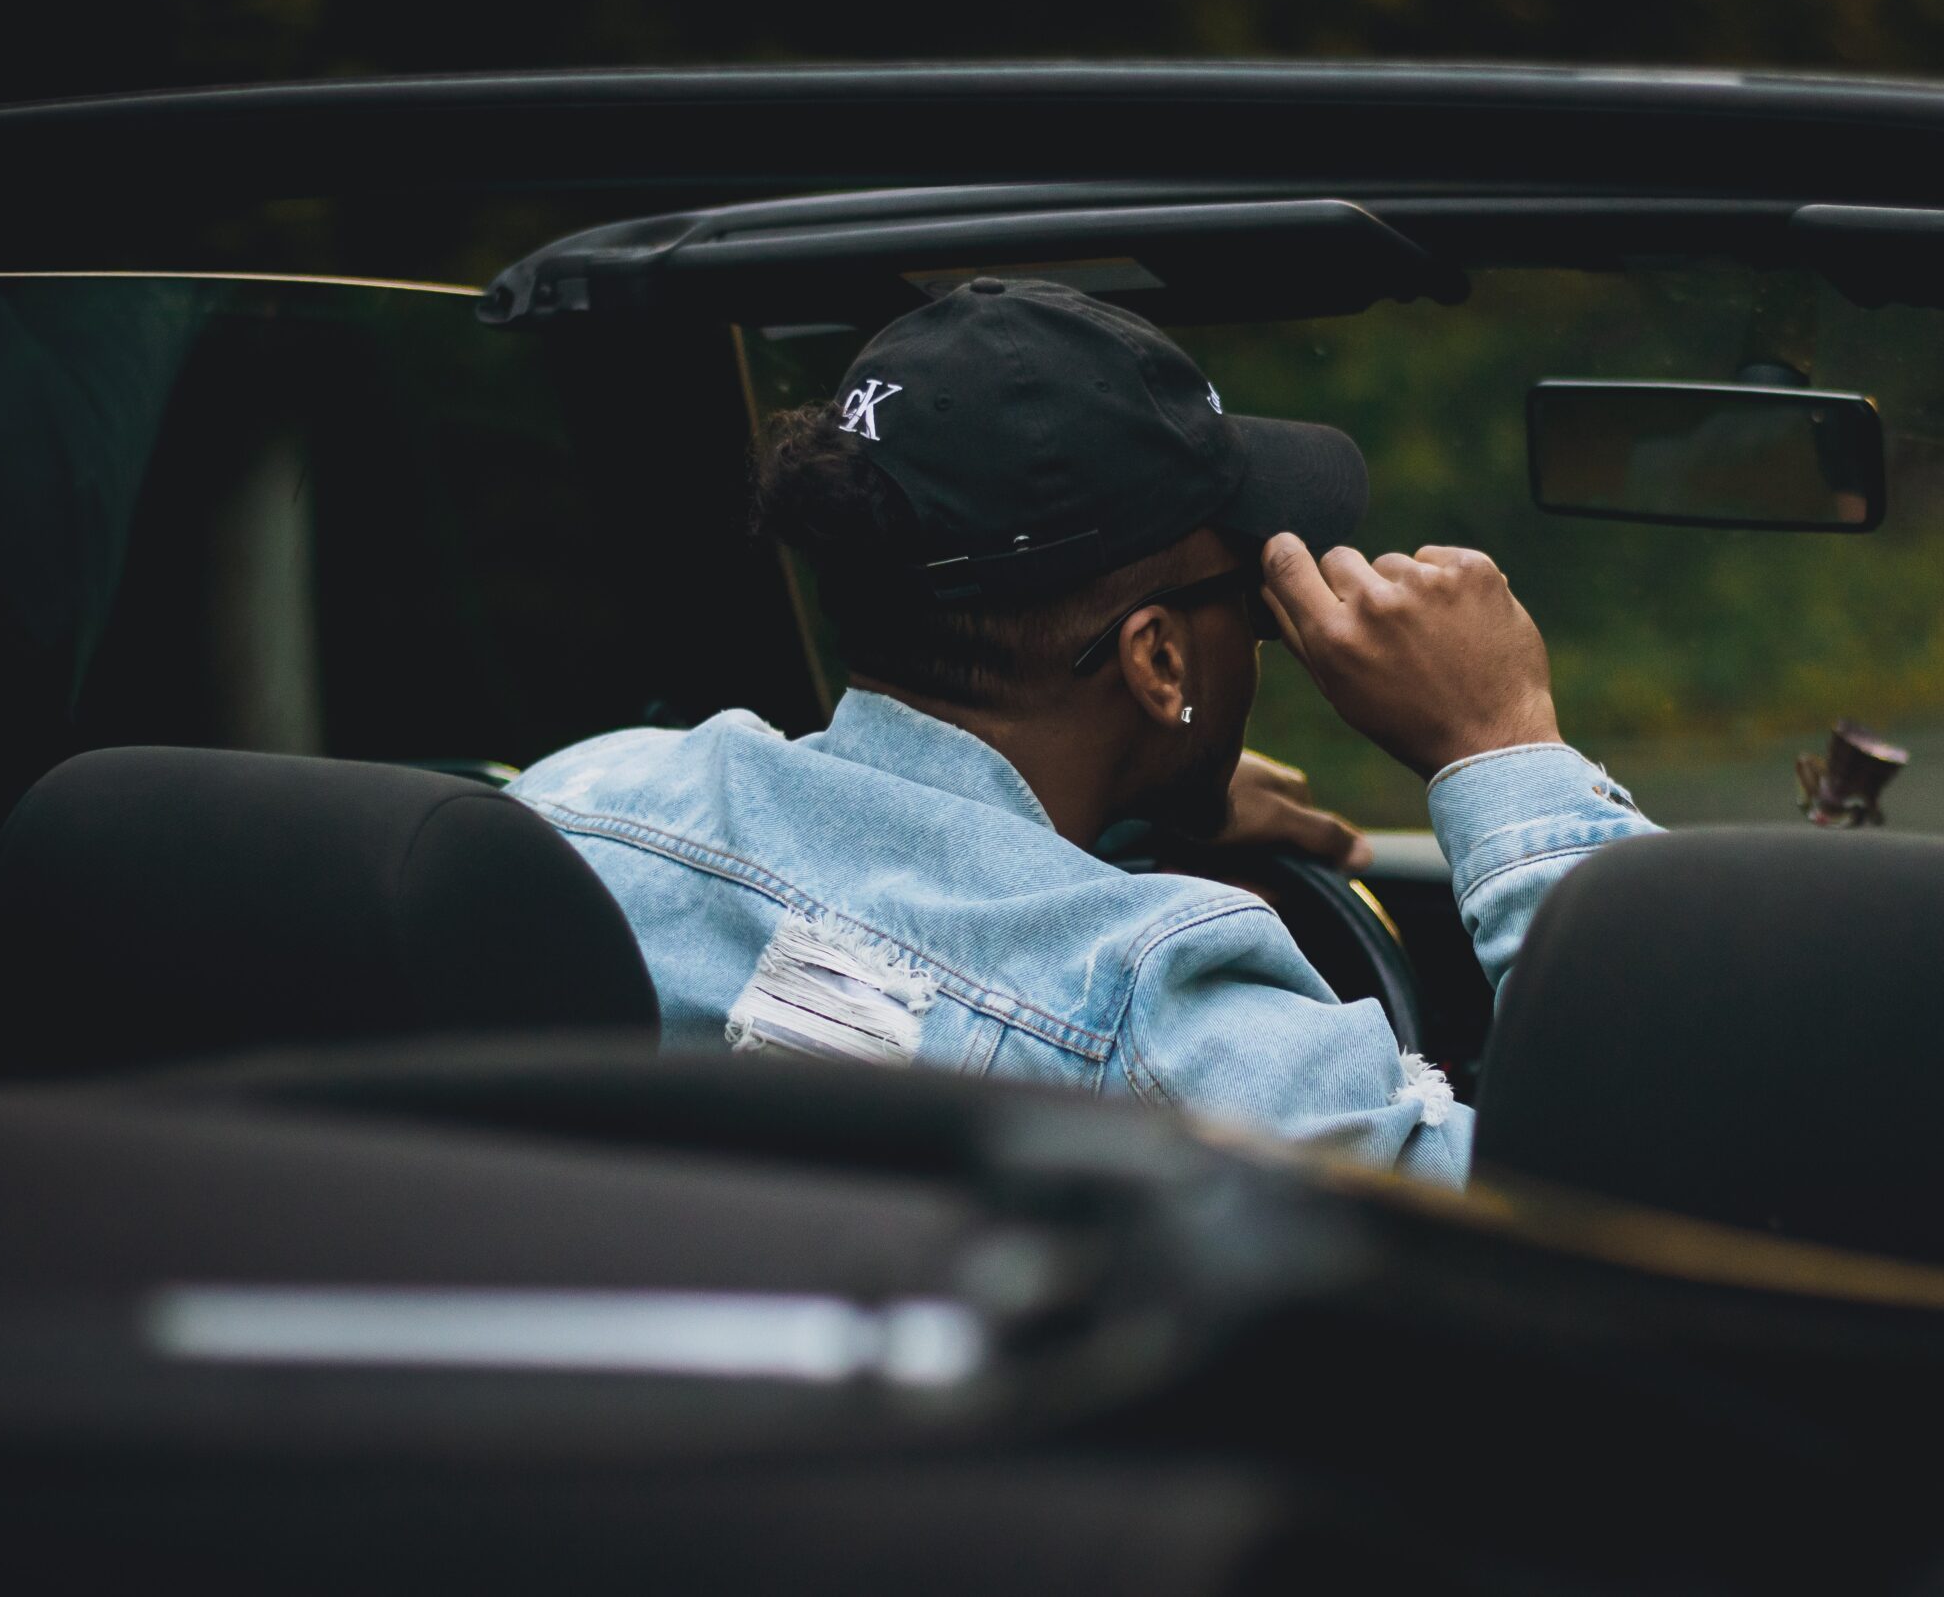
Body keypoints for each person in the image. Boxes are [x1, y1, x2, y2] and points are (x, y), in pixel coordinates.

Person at [509, 277, 1655, 1185]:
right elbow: (1657, 1202)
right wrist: (1501, 747)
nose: (1256, 645)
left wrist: (1116, 811)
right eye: (1249, 606)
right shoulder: (1157, 1015)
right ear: (1159, 660)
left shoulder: (573, 808)